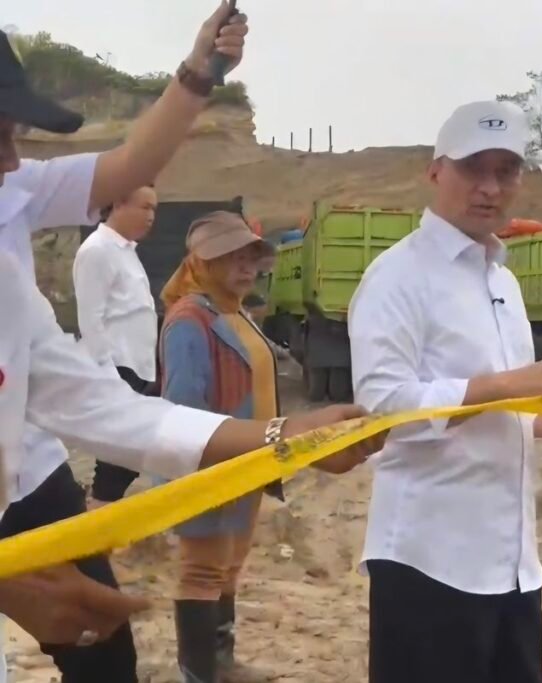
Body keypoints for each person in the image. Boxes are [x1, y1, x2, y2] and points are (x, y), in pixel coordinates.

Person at [0, 6, 380, 677]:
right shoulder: (147, 291)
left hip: (29, 466)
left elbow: (100, 407)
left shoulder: (8, 283)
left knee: (103, 652)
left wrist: (281, 439)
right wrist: (9, 585)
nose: (12, 164)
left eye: (12, 138)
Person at [349, 100, 542, 683]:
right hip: (429, 562)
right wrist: (507, 385)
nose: (490, 188)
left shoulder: (503, 281)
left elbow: (500, 408)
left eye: (506, 171)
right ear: (436, 171)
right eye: (473, 169)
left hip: (511, 565)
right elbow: (383, 409)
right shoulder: (397, 277)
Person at [158, 212, 318, 683]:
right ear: (201, 263)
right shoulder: (190, 321)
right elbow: (184, 408)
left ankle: (221, 662)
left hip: (251, 463)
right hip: (212, 466)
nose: (246, 267)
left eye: (250, 257)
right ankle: (199, 673)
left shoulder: (234, 312)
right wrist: (210, 466)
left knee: (227, 568)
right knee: (202, 570)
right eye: (230, 257)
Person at [74, 185, 160, 507]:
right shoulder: (97, 250)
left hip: (138, 365)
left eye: (154, 209)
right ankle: (98, 516)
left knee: (128, 456)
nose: (151, 216)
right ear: (119, 203)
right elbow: (90, 319)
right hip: (118, 368)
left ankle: (100, 510)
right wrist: (108, 376)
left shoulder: (126, 251)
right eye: (145, 207)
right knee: (117, 457)